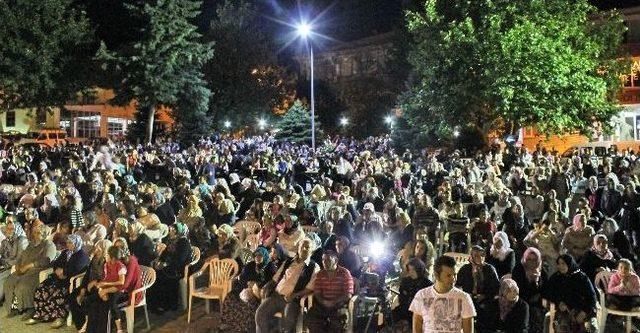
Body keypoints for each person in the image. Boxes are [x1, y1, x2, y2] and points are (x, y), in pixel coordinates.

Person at [255, 238, 319, 333]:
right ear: (298, 248)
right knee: (260, 314)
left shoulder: (314, 267)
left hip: (292, 300)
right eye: (302, 246)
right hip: (276, 296)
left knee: (287, 325)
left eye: (307, 247)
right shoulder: (288, 261)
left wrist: (295, 295)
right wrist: (267, 286)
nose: (304, 249)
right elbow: (275, 279)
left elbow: (309, 288)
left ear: (311, 251)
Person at [27, 234, 90, 327]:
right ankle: (40, 314)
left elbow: (78, 268)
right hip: (57, 277)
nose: (68, 245)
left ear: (76, 243)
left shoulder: (82, 255)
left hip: (69, 280)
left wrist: (64, 271)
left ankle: (59, 317)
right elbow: (56, 263)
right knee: (41, 288)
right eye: (67, 242)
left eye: (70, 243)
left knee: (58, 293)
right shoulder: (65, 253)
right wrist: (57, 270)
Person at [3, 221, 56, 319]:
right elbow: (21, 256)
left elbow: (46, 260)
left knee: (23, 285)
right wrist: (18, 266)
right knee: (9, 281)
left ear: (44, 234)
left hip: (36, 271)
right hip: (22, 270)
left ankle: (30, 308)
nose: (35, 235)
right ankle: (14, 308)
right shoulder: (31, 244)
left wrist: (29, 266)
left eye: (38, 233)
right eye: (34, 233)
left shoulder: (49, 245)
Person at [410, 255, 476, 333]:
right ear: (437, 275)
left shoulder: (464, 298)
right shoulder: (421, 295)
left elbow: (468, 328)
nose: (453, 279)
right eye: (449, 275)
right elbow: (417, 324)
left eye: (455, 274)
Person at [219, 246, 276, 332]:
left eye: (260, 255)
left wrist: (257, 285)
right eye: (256, 255)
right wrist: (248, 284)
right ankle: (228, 323)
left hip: (258, 293)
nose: (257, 257)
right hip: (244, 288)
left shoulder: (269, 267)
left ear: (264, 256)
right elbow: (242, 278)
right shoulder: (250, 265)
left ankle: (244, 327)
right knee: (230, 296)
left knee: (250, 304)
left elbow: (270, 282)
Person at [543, 254, 597, 333]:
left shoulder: (582, 278)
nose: (561, 266)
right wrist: (559, 303)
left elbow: (592, 297)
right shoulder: (555, 278)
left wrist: (584, 312)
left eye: (563, 263)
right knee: (558, 325)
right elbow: (549, 294)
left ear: (569, 264)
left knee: (591, 327)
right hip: (563, 312)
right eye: (559, 264)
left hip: (583, 310)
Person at [148, 222, 192, 313]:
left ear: (177, 231)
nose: (170, 231)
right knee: (155, 274)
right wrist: (160, 261)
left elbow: (180, 259)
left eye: (172, 229)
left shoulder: (184, 243)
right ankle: (156, 304)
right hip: (170, 266)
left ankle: (168, 304)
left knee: (163, 277)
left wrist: (165, 264)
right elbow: (165, 254)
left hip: (179, 269)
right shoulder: (171, 241)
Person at [68, 239, 112, 331]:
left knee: (89, 300)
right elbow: (87, 275)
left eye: (98, 247)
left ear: (104, 249)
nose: (96, 249)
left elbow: (106, 277)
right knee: (73, 296)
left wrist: (94, 282)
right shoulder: (94, 260)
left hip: (99, 286)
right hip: (88, 285)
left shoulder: (108, 262)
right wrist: (83, 288)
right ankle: (81, 325)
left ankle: (89, 325)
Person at [306, 250, 354, 333]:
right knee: (311, 319)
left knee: (336, 325)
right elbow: (317, 293)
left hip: (339, 305)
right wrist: (324, 302)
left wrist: (333, 302)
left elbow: (348, 294)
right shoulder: (320, 274)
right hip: (322, 305)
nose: (325, 262)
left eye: (328, 260)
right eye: (323, 260)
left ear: (336, 261)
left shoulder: (344, 273)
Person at [455, 245, 500, 332]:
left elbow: (496, 288)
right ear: (471, 256)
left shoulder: (490, 269)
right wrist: (467, 295)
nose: (479, 258)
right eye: (476, 255)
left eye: (482, 255)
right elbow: (457, 286)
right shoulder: (465, 269)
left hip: (486, 298)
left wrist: (485, 296)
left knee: (489, 310)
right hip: (468, 298)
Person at [511, 247, 548, 333]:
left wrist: (536, 283)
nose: (531, 262)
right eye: (528, 259)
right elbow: (516, 289)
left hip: (538, 302)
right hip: (521, 300)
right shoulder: (518, 269)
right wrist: (530, 281)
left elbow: (546, 290)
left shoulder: (542, 272)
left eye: (534, 259)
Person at [393, 258, 432, 327]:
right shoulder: (405, 281)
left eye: (413, 270)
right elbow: (401, 298)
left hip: (418, 313)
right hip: (404, 309)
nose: (410, 272)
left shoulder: (427, 284)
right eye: (409, 269)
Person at [0, 216, 28, 301]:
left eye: (12, 229)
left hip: (17, 267)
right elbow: (2, 254)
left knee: (2, 277)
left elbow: (19, 259)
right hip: (6, 265)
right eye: (8, 229)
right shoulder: (5, 241)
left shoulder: (22, 240)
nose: (9, 231)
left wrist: (4, 263)